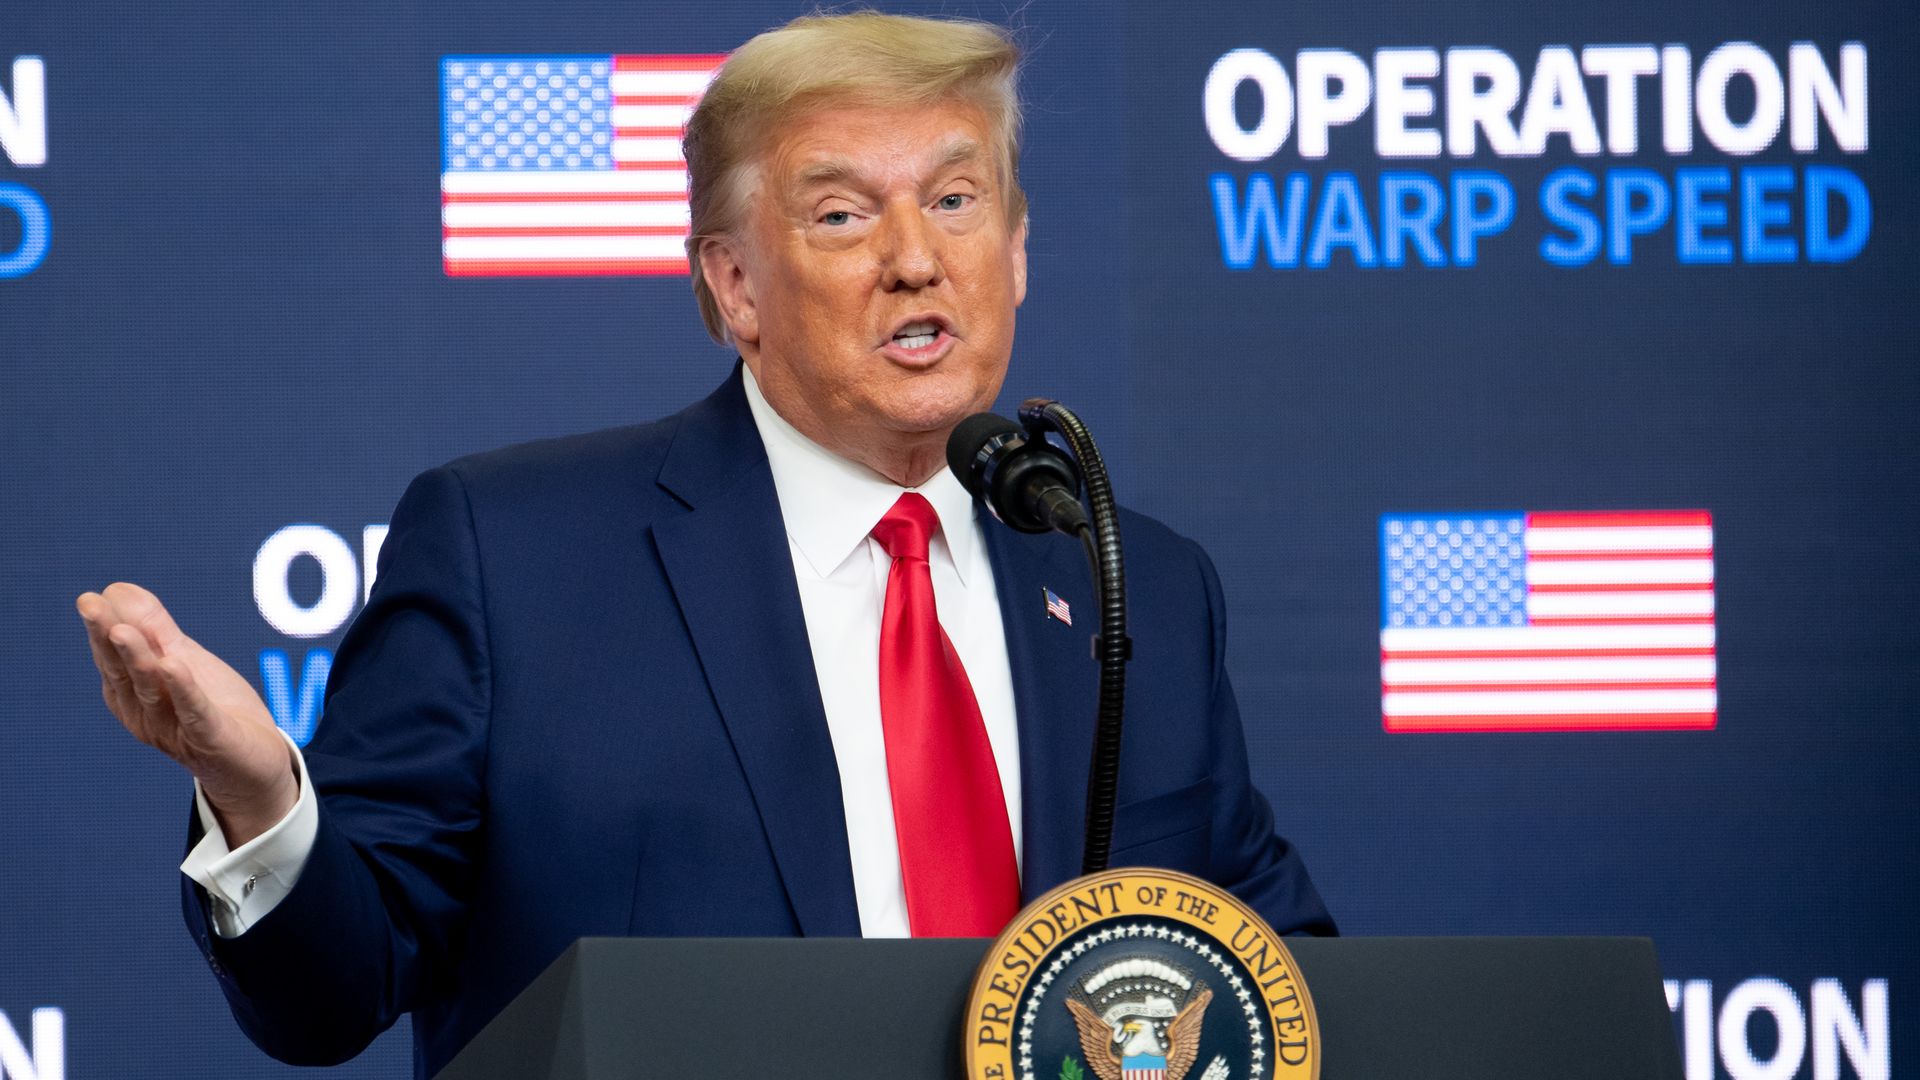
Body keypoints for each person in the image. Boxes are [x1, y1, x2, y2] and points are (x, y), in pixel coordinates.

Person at [75, 11, 1334, 1077]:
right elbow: (333, 994)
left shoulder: (1138, 585)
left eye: (955, 201)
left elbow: (1283, 980)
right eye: (843, 216)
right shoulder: (513, 557)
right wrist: (260, 800)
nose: (913, 260)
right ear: (733, 287)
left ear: (1013, 254)